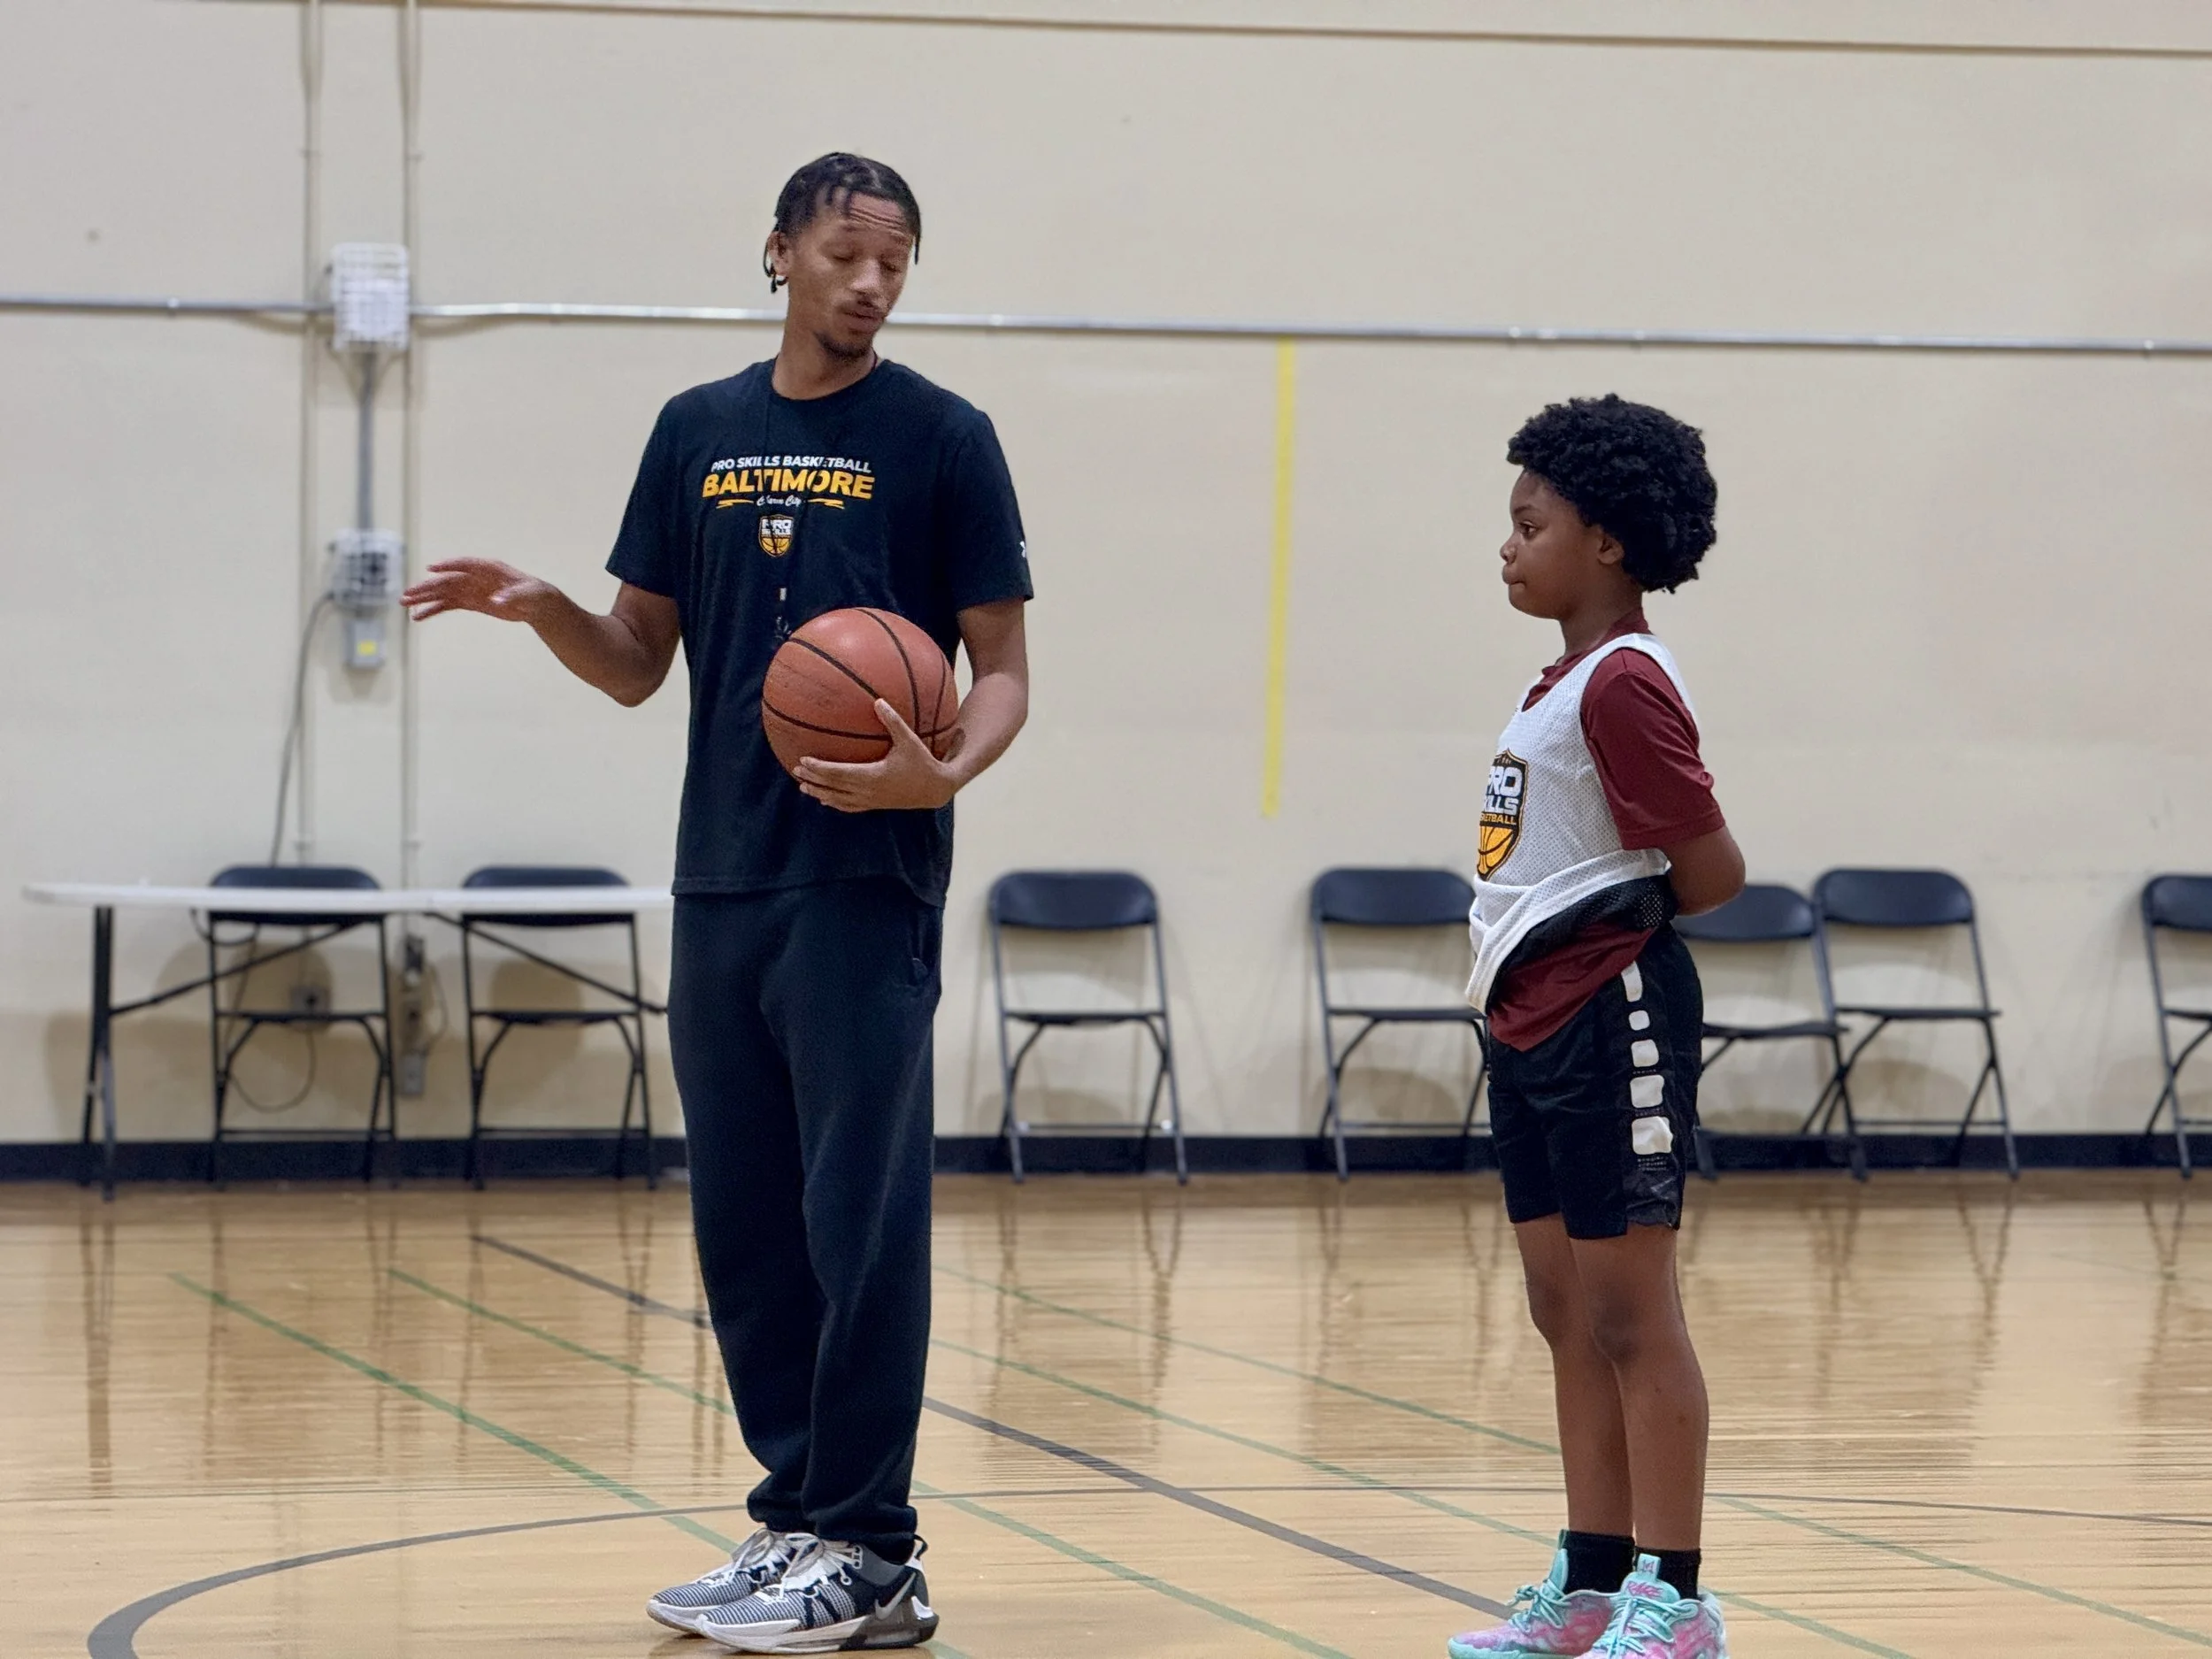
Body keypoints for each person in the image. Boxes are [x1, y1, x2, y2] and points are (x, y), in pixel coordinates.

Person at [401, 152, 1033, 1655]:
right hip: (722, 873)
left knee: (857, 1218)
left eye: (896, 262)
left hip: (866, 877)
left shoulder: (944, 436)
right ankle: (798, 1518)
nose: (871, 283)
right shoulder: (696, 430)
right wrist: (547, 610)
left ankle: (873, 1547)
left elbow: (1003, 669)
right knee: (747, 1223)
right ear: (779, 253)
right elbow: (638, 660)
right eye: (847, 254)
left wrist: (943, 772)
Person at [1446, 396, 1742, 1659]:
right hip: (1529, 1021)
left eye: (1531, 525)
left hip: (1609, 1008)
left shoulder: (1624, 683)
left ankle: (1675, 1598)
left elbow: (1712, 869)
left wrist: (1604, 932)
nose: (1508, 546)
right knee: (1563, 1310)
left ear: (1607, 542)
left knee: (1631, 1313)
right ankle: (1591, 1578)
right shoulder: (1557, 684)